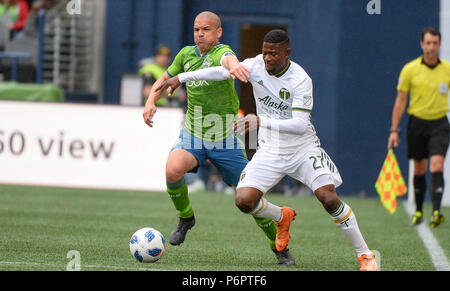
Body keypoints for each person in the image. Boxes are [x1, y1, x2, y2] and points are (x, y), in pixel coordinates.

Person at [156, 29, 378, 271]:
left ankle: (365, 255)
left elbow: (300, 124)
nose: (267, 58)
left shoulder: (301, 80)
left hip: (303, 149)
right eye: (264, 52)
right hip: (270, 151)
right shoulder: (256, 65)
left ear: (287, 53)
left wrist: (261, 121)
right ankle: (282, 217)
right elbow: (223, 72)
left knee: (328, 197)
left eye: (273, 54)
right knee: (243, 200)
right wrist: (183, 77)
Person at [143, 12, 296, 266]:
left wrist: (234, 65)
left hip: (225, 137)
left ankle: (279, 247)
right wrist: (150, 101)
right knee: (172, 169)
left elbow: (228, 60)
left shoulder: (221, 52)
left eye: (205, 29)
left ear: (218, 32)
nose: (200, 34)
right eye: (196, 29)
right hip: (194, 134)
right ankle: (186, 218)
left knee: (251, 199)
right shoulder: (185, 55)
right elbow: (163, 78)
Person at [388, 27, 450, 228]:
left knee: (437, 166)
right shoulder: (410, 69)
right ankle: (418, 211)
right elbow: (400, 100)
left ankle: (436, 212)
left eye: (435, 43)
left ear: (440, 44)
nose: (431, 47)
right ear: (422, 44)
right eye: (428, 43)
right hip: (417, 124)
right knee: (420, 169)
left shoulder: (447, 69)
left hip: (440, 123)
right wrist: (394, 130)